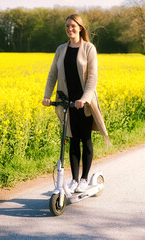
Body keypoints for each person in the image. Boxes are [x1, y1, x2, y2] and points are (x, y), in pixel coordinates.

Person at [42, 14, 110, 193]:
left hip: (83, 103)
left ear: (80, 28)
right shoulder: (61, 49)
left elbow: (92, 78)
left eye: (73, 26)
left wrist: (84, 98)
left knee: (85, 139)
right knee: (72, 140)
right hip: (66, 102)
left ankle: (85, 179)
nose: (69, 29)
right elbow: (52, 75)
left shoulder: (89, 48)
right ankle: (74, 180)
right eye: (67, 26)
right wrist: (47, 96)